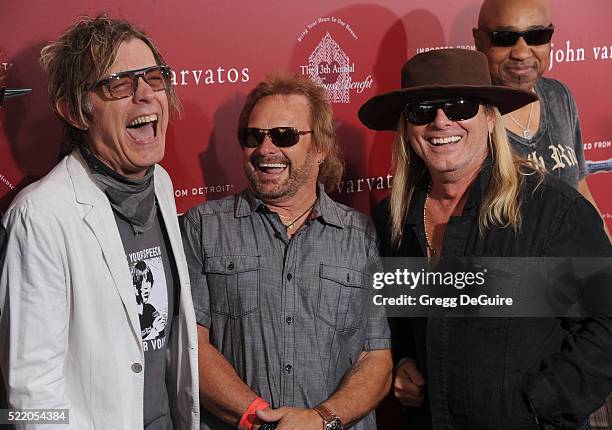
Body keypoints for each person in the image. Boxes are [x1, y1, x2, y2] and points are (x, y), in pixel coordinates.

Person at [358, 48, 612, 429]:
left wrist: (540, 404)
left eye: (460, 107)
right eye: (422, 111)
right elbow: (403, 320)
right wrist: (406, 360)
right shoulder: (394, 223)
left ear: (491, 118)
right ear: (407, 130)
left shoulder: (552, 213)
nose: (441, 122)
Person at [0, 15, 199, 429]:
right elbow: (28, 392)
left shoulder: (160, 182)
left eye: (153, 77)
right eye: (119, 83)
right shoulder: (39, 217)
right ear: (74, 111)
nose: (145, 94)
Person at [181, 75, 392, 430]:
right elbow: (190, 347)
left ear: (321, 147)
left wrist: (321, 420)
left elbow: (377, 358)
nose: (265, 149)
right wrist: (262, 420)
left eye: (284, 136)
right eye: (253, 136)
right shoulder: (204, 227)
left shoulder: (361, 234)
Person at [473, 0, 607, 224]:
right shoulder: (463, 116)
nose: (522, 52)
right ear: (479, 40)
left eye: (537, 36)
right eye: (505, 37)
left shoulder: (559, 96)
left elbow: (580, 188)